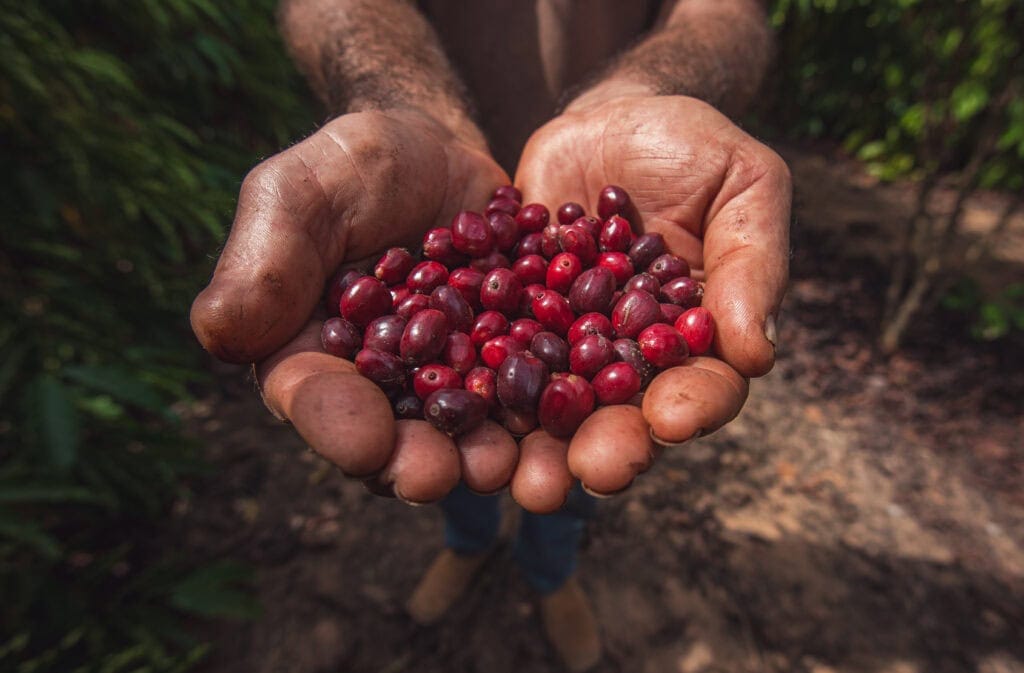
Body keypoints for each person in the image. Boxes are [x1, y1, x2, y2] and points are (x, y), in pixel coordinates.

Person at [190, 1, 791, 670]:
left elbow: (729, 11)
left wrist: (643, 91)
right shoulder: (459, 290)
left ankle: (551, 575)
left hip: (615, 156)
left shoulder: (578, 293)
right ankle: (469, 544)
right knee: (452, 451)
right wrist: (402, 103)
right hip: (426, 178)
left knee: (575, 467)